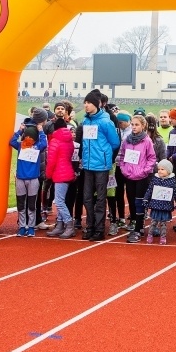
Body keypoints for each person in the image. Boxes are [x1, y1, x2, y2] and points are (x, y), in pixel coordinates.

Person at [76, 90, 121, 242]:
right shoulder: (86, 121)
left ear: (96, 104)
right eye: (85, 103)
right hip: (88, 165)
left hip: (101, 165)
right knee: (87, 197)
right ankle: (90, 226)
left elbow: (115, 142)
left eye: (88, 103)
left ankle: (99, 229)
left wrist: (104, 153)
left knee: (101, 198)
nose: (86, 105)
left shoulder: (105, 122)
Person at [118, 114, 157, 243]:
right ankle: (135, 225)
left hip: (141, 177)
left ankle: (139, 228)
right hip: (129, 176)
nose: (134, 127)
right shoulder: (127, 140)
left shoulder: (147, 140)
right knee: (131, 202)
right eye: (133, 124)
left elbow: (152, 157)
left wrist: (145, 171)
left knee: (139, 202)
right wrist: (124, 169)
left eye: (137, 125)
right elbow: (122, 156)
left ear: (143, 126)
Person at [9, 117, 48, 237]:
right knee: (21, 205)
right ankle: (22, 227)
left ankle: (31, 227)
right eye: (27, 136)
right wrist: (20, 130)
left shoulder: (38, 146)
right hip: (20, 179)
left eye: (31, 136)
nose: (29, 138)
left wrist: (41, 131)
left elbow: (45, 143)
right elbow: (11, 141)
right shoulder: (21, 145)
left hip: (33, 180)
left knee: (31, 205)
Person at [45, 118, 76, 239]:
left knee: (59, 201)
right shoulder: (69, 140)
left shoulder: (55, 141)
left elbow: (51, 161)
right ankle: (60, 224)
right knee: (61, 200)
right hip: (68, 171)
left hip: (59, 173)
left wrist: (48, 174)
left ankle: (68, 225)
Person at [142, 159, 176, 245]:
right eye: (159, 169)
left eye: (162, 169)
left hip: (166, 206)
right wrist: (146, 199)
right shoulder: (155, 179)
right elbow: (150, 189)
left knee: (163, 223)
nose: (160, 171)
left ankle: (163, 237)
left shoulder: (172, 181)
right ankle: (150, 235)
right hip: (155, 205)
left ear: (168, 171)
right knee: (153, 222)